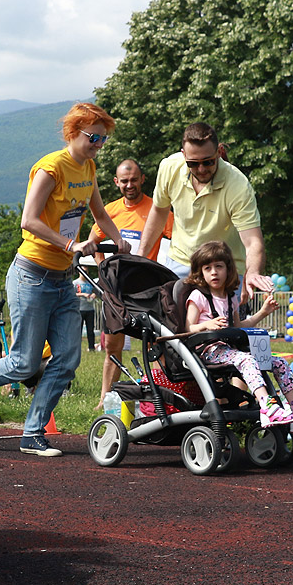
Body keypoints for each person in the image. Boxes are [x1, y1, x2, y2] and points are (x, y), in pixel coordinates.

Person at [0, 102, 130, 457]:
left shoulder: (88, 168)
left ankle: (33, 434)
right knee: (24, 363)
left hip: (62, 280)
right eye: (94, 138)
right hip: (31, 275)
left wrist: (118, 238)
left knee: (67, 357)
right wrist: (71, 243)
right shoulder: (51, 168)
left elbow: (99, 212)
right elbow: (28, 221)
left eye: (103, 140)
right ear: (73, 133)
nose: (98, 145)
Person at [137, 122, 273, 304]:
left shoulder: (238, 185)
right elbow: (159, 212)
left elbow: (253, 241)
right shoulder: (169, 167)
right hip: (181, 261)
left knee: (223, 327)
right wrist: (140, 257)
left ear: (219, 152)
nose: (201, 169)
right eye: (193, 164)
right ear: (183, 155)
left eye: (208, 162)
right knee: (173, 325)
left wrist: (253, 272)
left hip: (224, 267)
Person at [182, 240, 293, 428]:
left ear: (228, 269)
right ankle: (267, 406)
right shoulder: (198, 296)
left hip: (229, 349)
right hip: (207, 350)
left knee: (278, 362)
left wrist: (263, 312)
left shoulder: (231, 298)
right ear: (201, 273)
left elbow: (240, 326)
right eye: (208, 268)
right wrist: (208, 324)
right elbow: (188, 328)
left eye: (218, 266)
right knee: (247, 360)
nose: (214, 272)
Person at [91, 158, 173, 407]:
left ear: (142, 179)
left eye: (134, 180)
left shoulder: (158, 210)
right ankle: (105, 398)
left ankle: (162, 392)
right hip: (117, 291)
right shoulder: (110, 211)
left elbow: (179, 240)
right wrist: (103, 273)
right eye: (124, 181)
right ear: (116, 182)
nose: (130, 185)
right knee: (112, 347)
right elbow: (94, 243)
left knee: (158, 344)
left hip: (147, 289)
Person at [74, 275, 97, 351]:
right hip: (79, 309)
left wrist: (94, 294)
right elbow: (72, 294)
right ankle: (77, 348)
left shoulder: (90, 282)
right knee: (78, 330)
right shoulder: (75, 282)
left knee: (90, 330)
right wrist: (83, 294)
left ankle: (91, 348)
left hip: (90, 309)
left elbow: (95, 291)